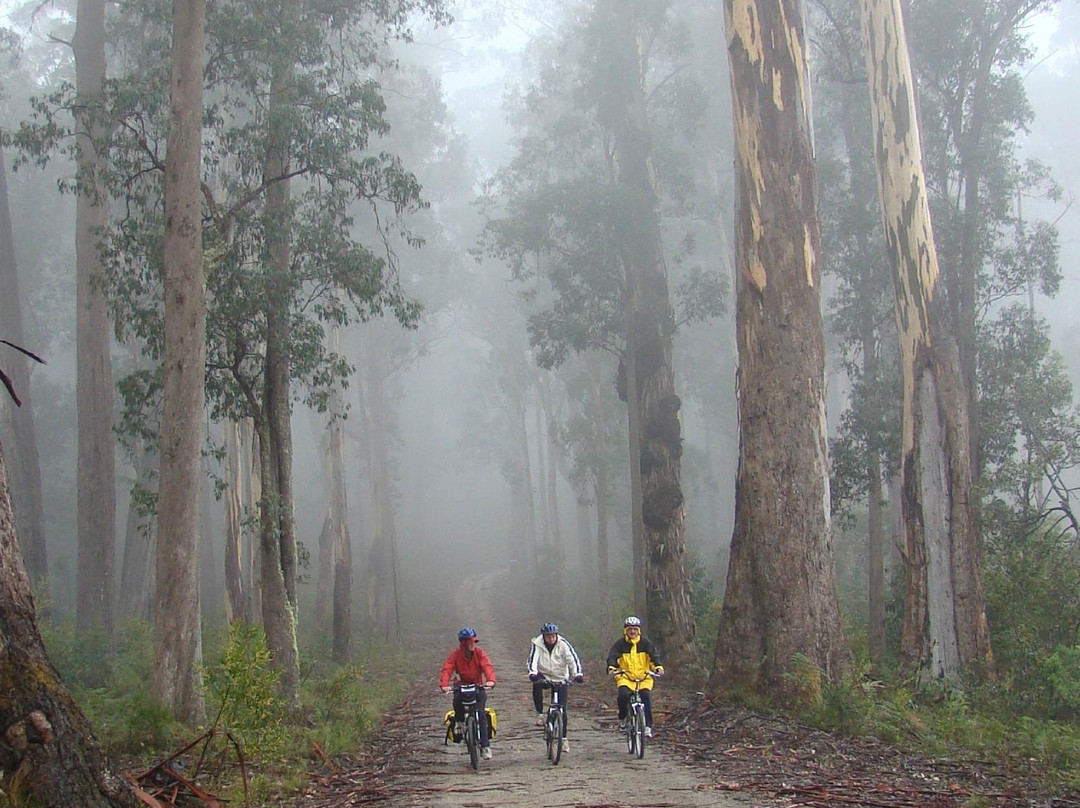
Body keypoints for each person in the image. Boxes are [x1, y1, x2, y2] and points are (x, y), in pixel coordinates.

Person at [440, 627, 498, 759]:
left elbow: (487, 666)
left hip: (477, 687)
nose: (473, 644)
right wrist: (444, 685)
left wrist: (491, 681)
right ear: (463, 644)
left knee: (481, 713)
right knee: (457, 701)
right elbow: (447, 669)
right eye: (470, 642)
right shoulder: (455, 655)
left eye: (474, 642)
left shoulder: (480, 653)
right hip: (461, 686)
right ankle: (460, 722)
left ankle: (485, 746)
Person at [526, 622, 585, 752]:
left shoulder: (563, 644)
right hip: (544, 675)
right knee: (537, 686)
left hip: (560, 677)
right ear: (544, 637)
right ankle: (540, 714)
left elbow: (572, 659)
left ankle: (563, 739)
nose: (551, 639)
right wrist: (533, 673)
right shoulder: (537, 644)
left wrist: (577, 674)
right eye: (548, 637)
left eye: (553, 636)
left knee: (562, 709)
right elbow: (533, 660)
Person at [606, 615, 664, 738]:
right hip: (625, 677)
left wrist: (658, 667)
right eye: (630, 629)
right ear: (626, 630)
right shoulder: (620, 644)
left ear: (639, 630)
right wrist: (612, 668)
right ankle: (622, 718)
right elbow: (613, 657)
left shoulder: (645, 643)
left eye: (635, 629)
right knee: (623, 696)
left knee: (646, 697)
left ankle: (647, 726)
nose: (632, 631)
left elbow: (654, 656)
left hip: (643, 677)